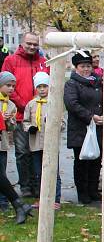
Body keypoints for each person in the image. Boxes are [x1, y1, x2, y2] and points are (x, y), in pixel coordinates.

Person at [1, 32, 49, 197]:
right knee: (22, 152)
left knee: (38, 151)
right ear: (22, 43)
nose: (32, 47)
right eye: (29, 43)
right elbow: (8, 87)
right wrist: (24, 106)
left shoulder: (43, 62)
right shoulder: (11, 61)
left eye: (35, 44)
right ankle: (25, 186)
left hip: (40, 115)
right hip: (21, 114)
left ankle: (38, 185)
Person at [64, 52, 103, 205]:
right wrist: (90, 116)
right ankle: (83, 192)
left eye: (88, 66)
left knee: (96, 160)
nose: (86, 69)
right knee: (82, 162)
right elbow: (72, 104)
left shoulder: (97, 82)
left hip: (97, 127)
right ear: (76, 67)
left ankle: (93, 190)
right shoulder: (72, 84)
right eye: (83, 66)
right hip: (81, 128)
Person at [22, 72, 62, 209]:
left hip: (50, 144)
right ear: (36, 88)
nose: (42, 89)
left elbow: (62, 124)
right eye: (39, 87)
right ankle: (42, 198)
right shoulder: (31, 104)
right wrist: (29, 128)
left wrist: (53, 122)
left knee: (53, 172)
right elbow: (25, 121)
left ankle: (56, 199)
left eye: (45, 86)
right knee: (39, 173)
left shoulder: (54, 103)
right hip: (35, 144)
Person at [0, 71, 19, 210]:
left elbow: (12, 128)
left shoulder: (11, 105)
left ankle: (3, 201)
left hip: (3, 143)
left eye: (13, 86)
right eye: (8, 85)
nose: (11, 88)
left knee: (2, 173)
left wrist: (10, 121)